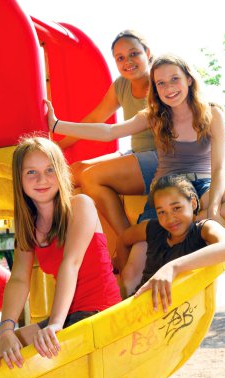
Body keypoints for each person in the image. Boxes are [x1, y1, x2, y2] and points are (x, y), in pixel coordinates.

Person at [45, 53, 225, 247]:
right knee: (136, 265)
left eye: (174, 79)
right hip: (166, 188)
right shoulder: (154, 116)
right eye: (160, 83)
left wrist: (213, 212)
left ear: (189, 79)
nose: (168, 88)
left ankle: (195, 221)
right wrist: (57, 125)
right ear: (155, 88)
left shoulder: (212, 113)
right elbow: (109, 131)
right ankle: (155, 231)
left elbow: (219, 168)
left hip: (202, 185)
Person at [0, 136, 121, 369]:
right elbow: (18, 278)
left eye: (49, 170)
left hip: (99, 313)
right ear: (20, 180)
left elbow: (71, 263)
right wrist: (6, 329)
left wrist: (55, 324)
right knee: (2, 347)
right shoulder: (29, 226)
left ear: (61, 172)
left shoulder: (80, 205)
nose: (41, 179)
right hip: (69, 316)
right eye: (31, 172)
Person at [58, 30, 158, 237]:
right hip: (136, 152)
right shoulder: (121, 85)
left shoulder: (160, 81)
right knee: (73, 172)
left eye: (133, 54)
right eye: (120, 58)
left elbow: (110, 132)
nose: (127, 62)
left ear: (147, 53)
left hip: (160, 157)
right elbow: (95, 119)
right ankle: (83, 238)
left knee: (92, 177)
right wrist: (58, 145)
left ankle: (127, 240)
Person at [118, 175, 225, 298]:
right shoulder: (153, 228)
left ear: (193, 203)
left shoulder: (203, 229)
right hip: (140, 309)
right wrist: (127, 278)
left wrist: (173, 267)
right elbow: (122, 240)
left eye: (176, 208)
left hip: (184, 312)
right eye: (161, 212)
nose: (170, 219)